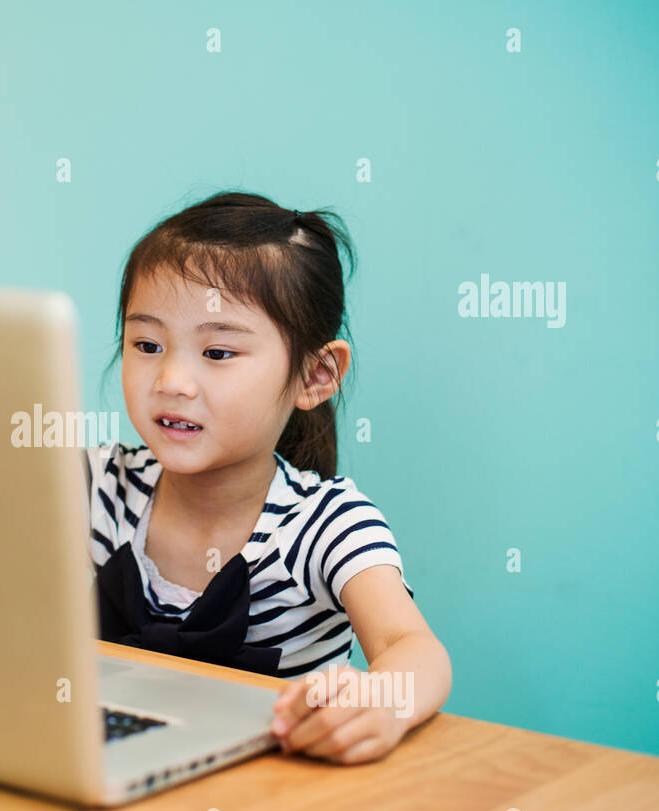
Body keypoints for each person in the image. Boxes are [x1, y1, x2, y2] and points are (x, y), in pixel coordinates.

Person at [84, 190, 451, 764]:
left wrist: (382, 702)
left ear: (315, 375)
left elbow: (416, 650)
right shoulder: (94, 486)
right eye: (148, 344)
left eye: (219, 352)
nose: (172, 380)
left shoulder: (327, 524)